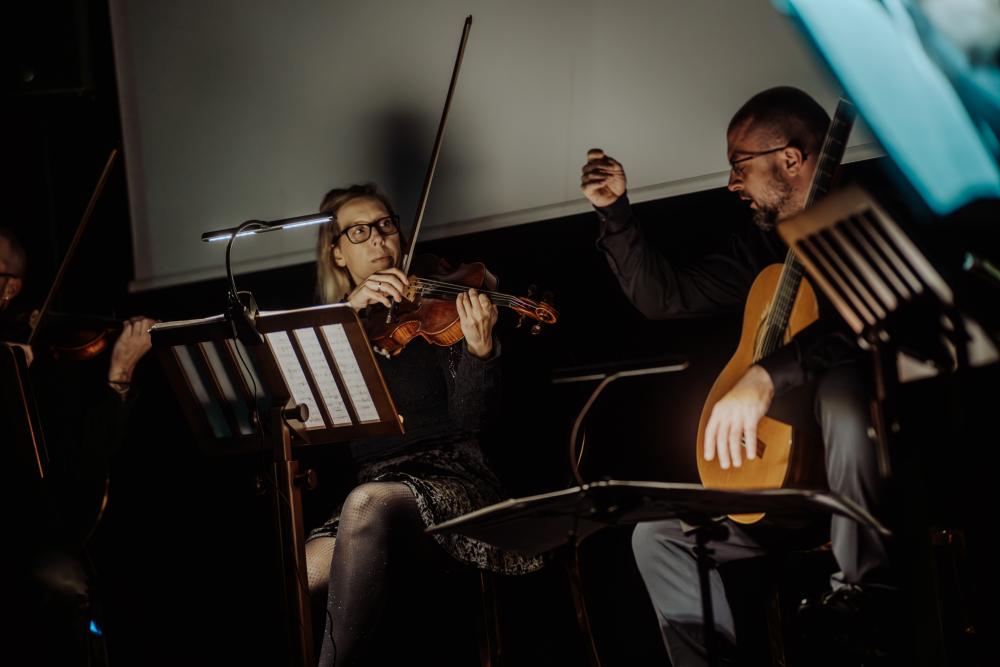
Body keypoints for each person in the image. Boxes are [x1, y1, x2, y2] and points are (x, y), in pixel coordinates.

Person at [580, 87, 894, 664]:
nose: (731, 183)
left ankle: (862, 592)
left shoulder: (868, 222)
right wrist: (615, 213)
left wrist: (766, 376)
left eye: (740, 165)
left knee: (843, 385)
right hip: (784, 489)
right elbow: (664, 297)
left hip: (871, 482)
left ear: (791, 159)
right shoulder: (762, 248)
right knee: (656, 536)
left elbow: (868, 327)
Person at [304, 184, 541, 666]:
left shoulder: (439, 306)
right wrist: (347, 316)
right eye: (359, 231)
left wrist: (479, 351)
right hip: (374, 488)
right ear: (337, 253)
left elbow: (474, 420)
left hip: (454, 478)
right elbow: (315, 423)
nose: (378, 239)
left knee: (366, 502)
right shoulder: (335, 327)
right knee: (301, 571)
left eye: (385, 225)